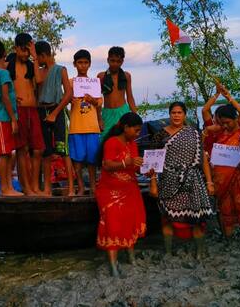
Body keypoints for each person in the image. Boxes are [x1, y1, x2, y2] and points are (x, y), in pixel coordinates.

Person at [149, 102, 214, 257]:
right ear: (169, 115)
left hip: (193, 180)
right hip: (168, 180)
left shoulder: (194, 133)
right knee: (167, 218)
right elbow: (152, 161)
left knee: (197, 217)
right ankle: (168, 251)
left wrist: (209, 182)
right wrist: (153, 184)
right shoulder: (160, 135)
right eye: (173, 113)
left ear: (184, 115)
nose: (176, 115)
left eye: (179, 112)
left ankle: (199, 251)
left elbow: (203, 159)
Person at [96, 112, 147, 277]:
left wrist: (146, 168)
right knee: (113, 226)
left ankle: (131, 258)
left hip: (129, 189)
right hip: (110, 191)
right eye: (136, 130)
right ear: (126, 128)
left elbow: (135, 166)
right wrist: (128, 162)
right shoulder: (111, 142)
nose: (138, 134)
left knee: (130, 223)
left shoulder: (132, 144)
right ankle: (113, 265)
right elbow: (108, 165)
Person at [205, 103, 240, 251]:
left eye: (228, 122)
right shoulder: (217, 135)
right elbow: (206, 154)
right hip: (220, 179)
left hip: (239, 178)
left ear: (236, 119)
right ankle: (228, 241)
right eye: (222, 123)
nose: (225, 126)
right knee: (225, 211)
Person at [32, 40, 73, 196]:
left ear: (43, 55)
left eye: (38, 57)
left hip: (58, 110)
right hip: (42, 111)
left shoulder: (60, 70)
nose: (37, 60)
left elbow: (68, 93)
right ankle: (47, 189)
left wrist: (56, 113)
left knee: (64, 150)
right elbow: (38, 82)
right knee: (46, 152)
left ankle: (70, 189)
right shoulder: (40, 72)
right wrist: (35, 62)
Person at [0, 39, 23, 196]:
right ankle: (5, 187)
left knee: (7, 153)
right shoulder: (4, 73)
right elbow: (5, 97)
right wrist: (14, 119)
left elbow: (3, 94)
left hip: (4, 117)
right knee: (5, 153)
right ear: (5, 54)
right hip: (4, 118)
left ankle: (8, 187)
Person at [9, 33, 45, 196]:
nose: (25, 54)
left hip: (33, 110)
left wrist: (35, 56)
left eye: (27, 51)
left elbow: (38, 80)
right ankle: (27, 188)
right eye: (22, 50)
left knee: (38, 149)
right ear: (16, 48)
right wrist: (10, 97)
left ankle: (35, 185)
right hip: (19, 110)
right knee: (22, 149)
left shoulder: (31, 64)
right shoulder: (8, 65)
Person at [68, 49, 103, 195]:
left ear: (89, 64)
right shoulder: (70, 82)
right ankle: (81, 186)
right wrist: (70, 99)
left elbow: (99, 104)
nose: (83, 66)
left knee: (92, 160)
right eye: (80, 63)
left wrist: (92, 100)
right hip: (76, 126)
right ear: (74, 64)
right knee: (77, 159)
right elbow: (65, 99)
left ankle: (94, 187)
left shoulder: (95, 82)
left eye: (85, 63)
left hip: (92, 127)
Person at [98, 46, 136, 138]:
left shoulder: (126, 76)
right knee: (105, 138)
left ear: (122, 61)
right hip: (107, 112)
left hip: (123, 112)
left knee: (125, 138)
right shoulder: (101, 76)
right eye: (112, 60)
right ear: (108, 60)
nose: (115, 64)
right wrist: (99, 118)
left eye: (118, 61)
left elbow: (130, 97)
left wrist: (135, 116)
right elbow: (97, 99)